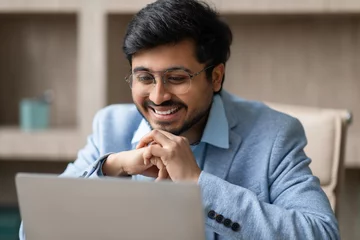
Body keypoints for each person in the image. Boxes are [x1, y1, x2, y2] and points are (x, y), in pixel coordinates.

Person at [20, 0, 340, 239]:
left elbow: (322, 233)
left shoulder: (274, 135)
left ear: (215, 77)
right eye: (144, 77)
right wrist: (112, 167)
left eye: (176, 77)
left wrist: (197, 183)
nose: (158, 96)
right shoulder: (111, 128)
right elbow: (33, 229)